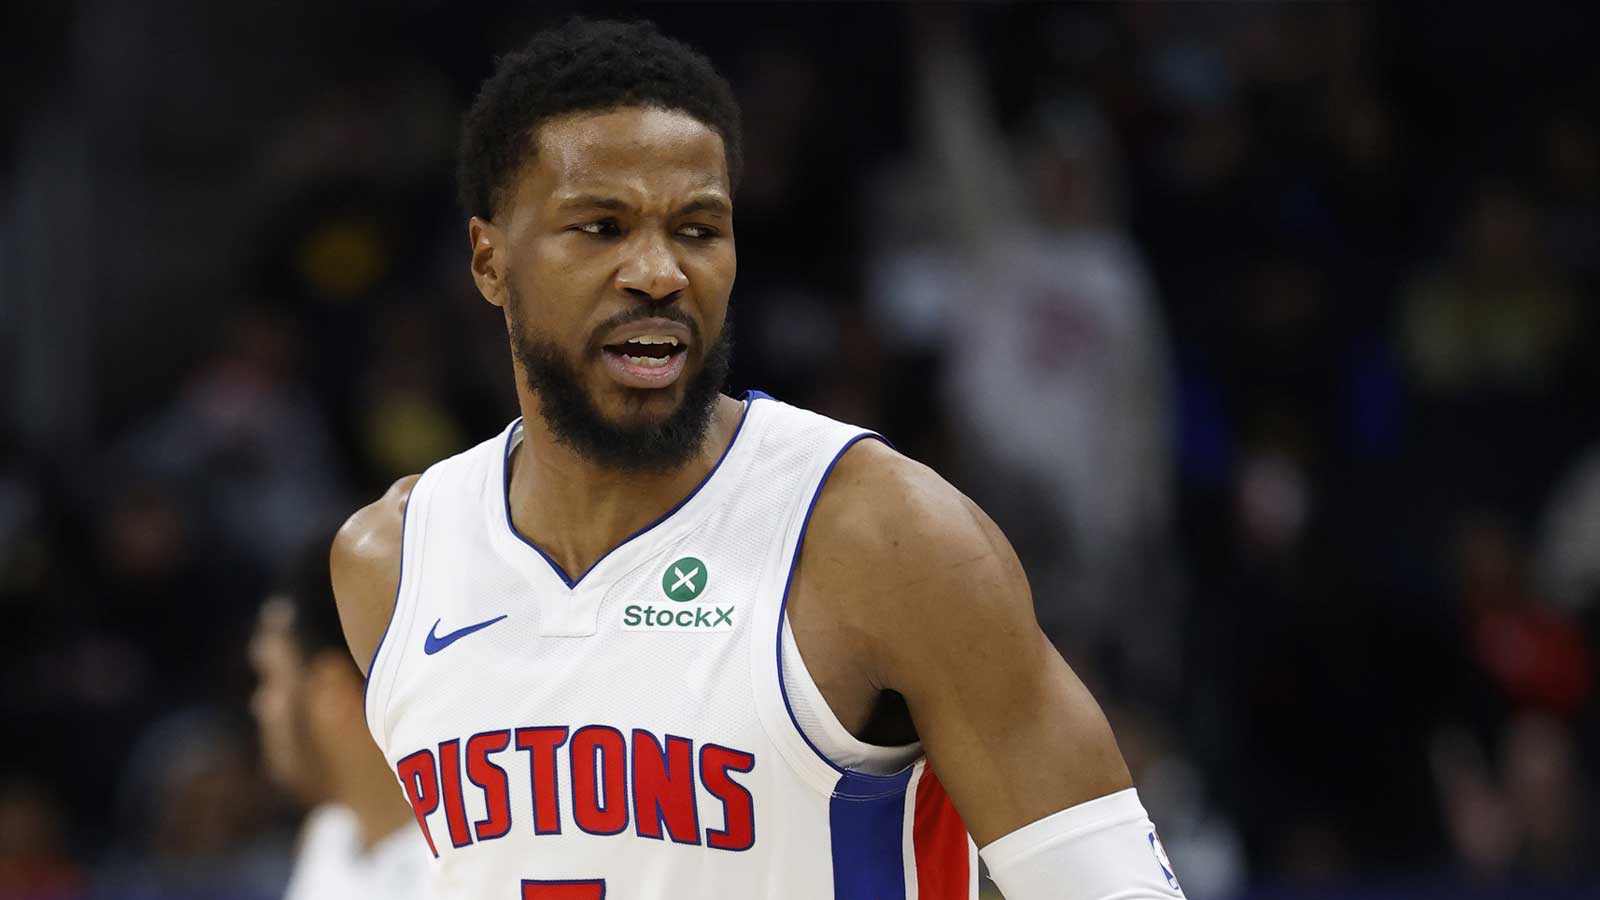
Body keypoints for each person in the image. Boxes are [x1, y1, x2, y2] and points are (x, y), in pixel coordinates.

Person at [331, 17, 1185, 900]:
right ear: (489, 261)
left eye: (698, 229)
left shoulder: (881, 535)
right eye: (602, 227)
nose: (659, 271)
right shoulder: (392, 564)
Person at [250, 537, 429, 900]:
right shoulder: (329, 836)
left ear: (330, 690)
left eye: (269, 678)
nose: (258, 706)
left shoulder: (464, 861)